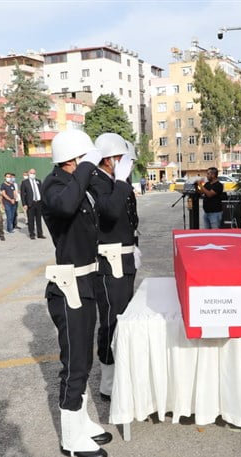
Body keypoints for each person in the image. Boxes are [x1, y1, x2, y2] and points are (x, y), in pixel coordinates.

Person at [41, 130, 113, 457]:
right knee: (74, 365)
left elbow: (107, 207)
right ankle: (71, 437)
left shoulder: (76, 184)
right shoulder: (55, 186)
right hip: (68, 285)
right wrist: (85, 168)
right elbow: (66, 207)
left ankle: (81, 422)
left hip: (86, 280)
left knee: (84, 359)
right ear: (73, 159)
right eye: (86, 161)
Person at [91, 133, 139, 402]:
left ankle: (121, 369)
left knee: (123, 316)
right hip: (110, 261)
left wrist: (134, 244)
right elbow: (109, 212)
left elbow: (128, 216)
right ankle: (108, 382)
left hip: (125, 256)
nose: (126, 166)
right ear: (109, 159)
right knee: (111, 319)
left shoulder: (114, 180)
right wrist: (120, 181)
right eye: (122, 160)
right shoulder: (97, 181)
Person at [21, 168, 45, 239]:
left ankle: (40, 234)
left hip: (38, 203)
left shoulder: (38, 181)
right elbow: (22, 194)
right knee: (31, 220)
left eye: (34, 173)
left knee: (39, 220)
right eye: (31, 173)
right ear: (28, 173)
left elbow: (41, 192)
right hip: (30, 203)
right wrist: (24, 204)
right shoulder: (25, 182)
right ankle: (32, 234)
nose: (33, 174)